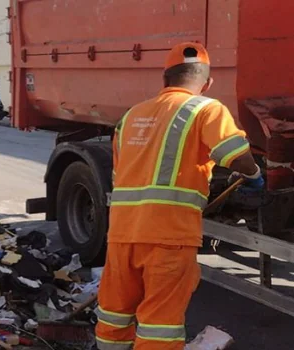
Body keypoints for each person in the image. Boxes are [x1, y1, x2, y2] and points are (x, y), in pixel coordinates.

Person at [95, 42, 264, 350]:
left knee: (114, 315)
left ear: (165, 78)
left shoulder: (131, 116)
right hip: (169, 236)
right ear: (208, 82)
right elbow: (235, 156)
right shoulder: (206, 108)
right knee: (159, 325)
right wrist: (253, 174)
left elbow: (121, 174)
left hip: (122, 233)